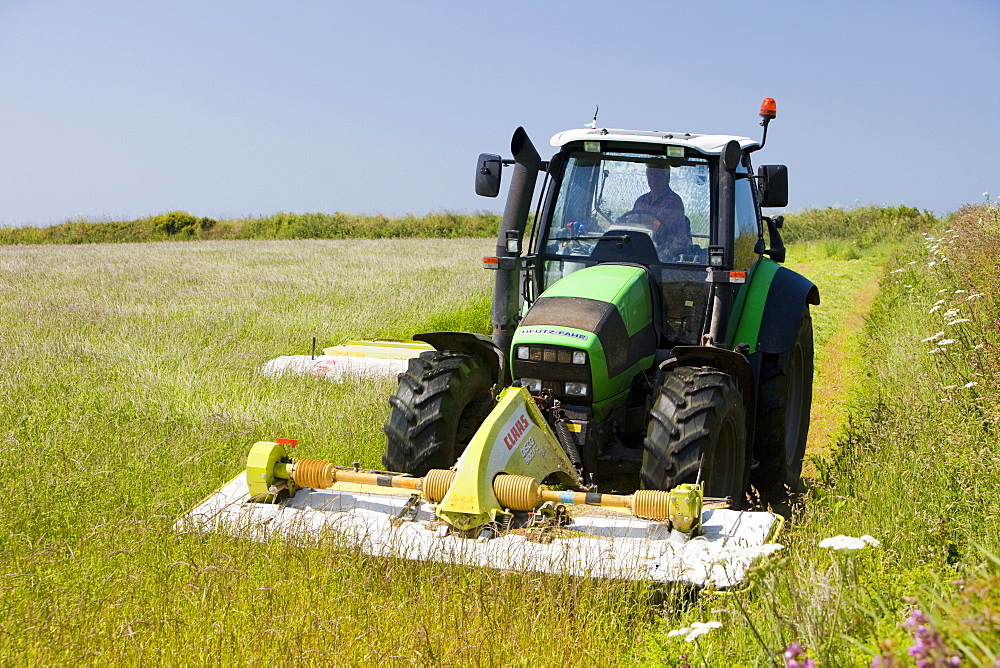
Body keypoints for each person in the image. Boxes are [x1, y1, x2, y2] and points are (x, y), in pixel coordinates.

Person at [630, 164, 689, 251]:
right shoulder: (641, 200)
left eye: (657, 176)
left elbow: (658, 227)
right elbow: (630, 221)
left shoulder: (673, 201)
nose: (653, 180)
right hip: (644, 246)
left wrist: (640, 221)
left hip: (671, 252)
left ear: (667, 178)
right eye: (650, 176)